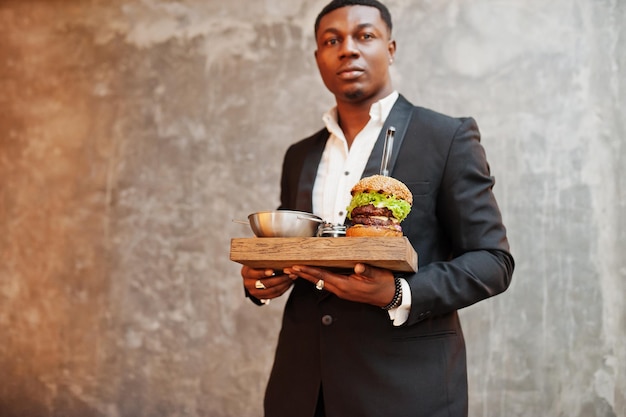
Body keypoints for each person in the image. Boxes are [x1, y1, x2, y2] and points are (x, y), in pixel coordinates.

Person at [240, 0, 515, 416]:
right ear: (318, 58)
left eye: (364, 36)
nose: (347, 49)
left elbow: (494, 261)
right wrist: (260, 281)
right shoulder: (300, 154)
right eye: (332, 40)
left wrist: (398, 293)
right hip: (300, 391)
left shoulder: (447, 137)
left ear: (390, 47)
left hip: (405, 392)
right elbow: (290, 252)